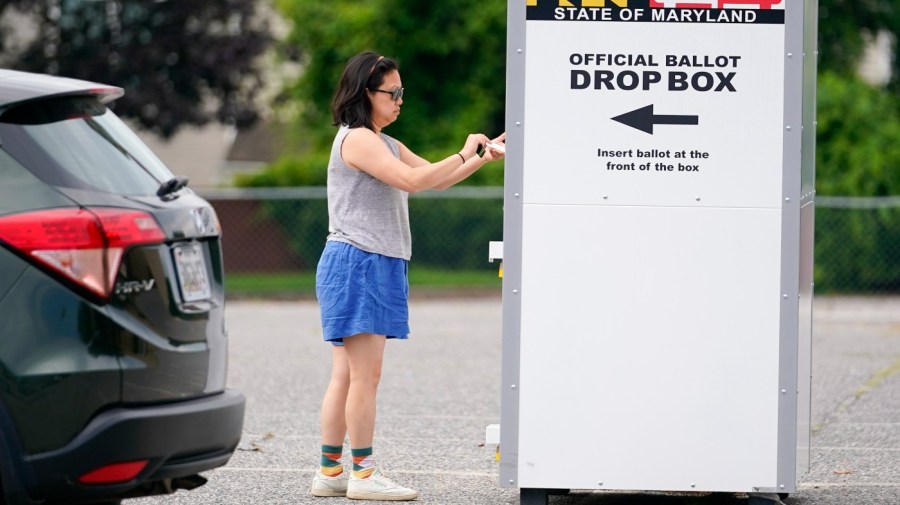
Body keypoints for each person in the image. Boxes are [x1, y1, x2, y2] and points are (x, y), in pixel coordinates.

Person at [309, 51, 505, 501]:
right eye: (392, 93)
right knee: (363, 376)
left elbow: (434, 179)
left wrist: (481, 157)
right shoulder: (357, 139)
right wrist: (463, 149)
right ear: (366, 93)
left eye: (402, 93)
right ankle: (362, 475)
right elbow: (412, 183)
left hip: (368, 261)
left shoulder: (385, 143)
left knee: (347, 373)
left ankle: (330, 472)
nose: (400, 100)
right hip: (360, 260)